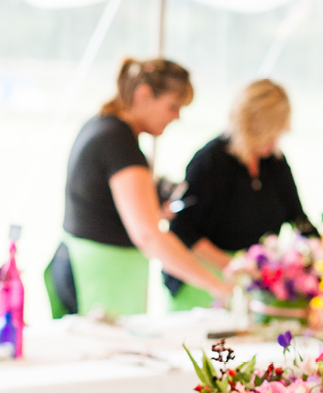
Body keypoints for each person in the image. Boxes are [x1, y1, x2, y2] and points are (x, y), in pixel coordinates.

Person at [46, 57, 232, 319]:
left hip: (81, 264)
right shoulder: (118, 142)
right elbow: (148, 236)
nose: (177, 117)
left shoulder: (102, 125)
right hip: (99, 275)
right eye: (173, 106)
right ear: (143, 95)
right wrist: (217, 286)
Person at [164, 79, 318, 310]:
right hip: (203, 281)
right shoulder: (210, 161)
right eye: (269, 132)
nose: (274, 141)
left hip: (252, 280)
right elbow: (181, 228)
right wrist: (233, 264)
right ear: (251, 124)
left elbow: (299, 220)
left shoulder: (274, 163)